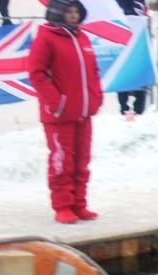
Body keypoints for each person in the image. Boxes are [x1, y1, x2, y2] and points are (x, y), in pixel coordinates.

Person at [28, 0, 103, 224]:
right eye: (69, 12)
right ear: (58, 13)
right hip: (59, 115)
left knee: (82, 160)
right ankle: (63, 205)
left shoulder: (82, 37)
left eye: (76, 12)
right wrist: (57, 103)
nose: (73, 16)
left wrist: (96, 96)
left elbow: (93, 70)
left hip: (83, 112)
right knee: (62, 162)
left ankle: (79, 203)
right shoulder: (46, 37)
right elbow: (37, 73)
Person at [116, 0, 148, 119]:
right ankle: (125, 108)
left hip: (138, 33)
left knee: (136, 69)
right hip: (124, 31)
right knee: (124, 67)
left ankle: (137, 109)